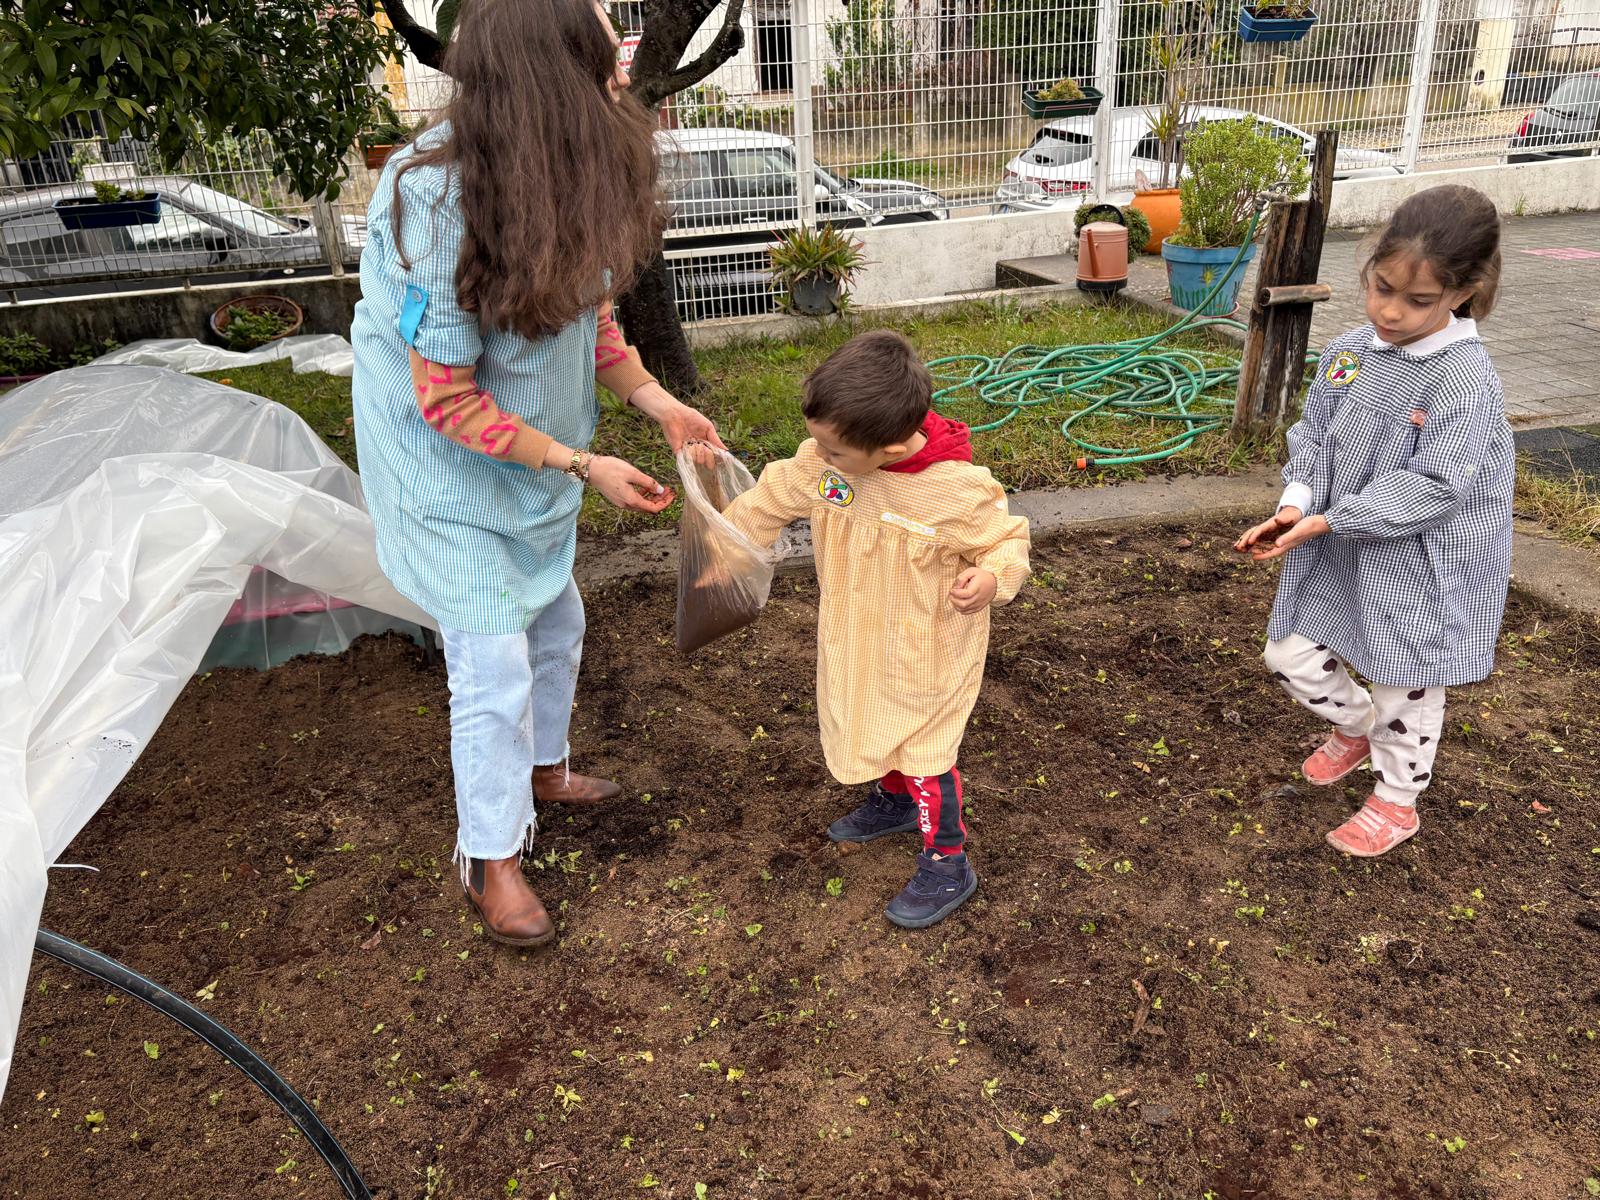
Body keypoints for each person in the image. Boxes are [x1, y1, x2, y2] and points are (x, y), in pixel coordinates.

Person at [350, 0, 724, 946]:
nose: (619, 83)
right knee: (490, 658)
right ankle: (490, 856)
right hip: (442, 462)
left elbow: (592, 319)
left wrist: (659, 406)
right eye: (602, 66)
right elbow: (446, 401)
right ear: (547, 83)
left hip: (530, 447)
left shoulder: (575, 161)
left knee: (557, 611)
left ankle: (543, 768)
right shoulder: (433, 197)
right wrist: (582, 462)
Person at [702, 330, 1030, 928]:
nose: (818, 456)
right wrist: (723, 549)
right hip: (859, 631)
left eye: (833, 452)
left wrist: (990, 578)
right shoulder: (824, 467)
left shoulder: (955, 490)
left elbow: (1005, 542)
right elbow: (769, 500)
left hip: (929, 646)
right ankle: (896, 798)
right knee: (870, 709)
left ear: (890, 445)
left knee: (927, 746)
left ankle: (946, 861)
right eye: (818, 442)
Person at [1235, 184, 1512, 857]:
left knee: (1404, 680)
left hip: (1419, 561)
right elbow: (1318, 436)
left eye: (1416, 301)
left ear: (1464, 290)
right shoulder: (1353, 352)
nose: (1390, 310)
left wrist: (1333, 520)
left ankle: (1397, 799)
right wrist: (1296, 506)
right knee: (1290, 653)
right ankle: (1355, 728)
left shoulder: (1462, 381)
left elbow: (1436, 484)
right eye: (1380, 287)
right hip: (1339, 539)